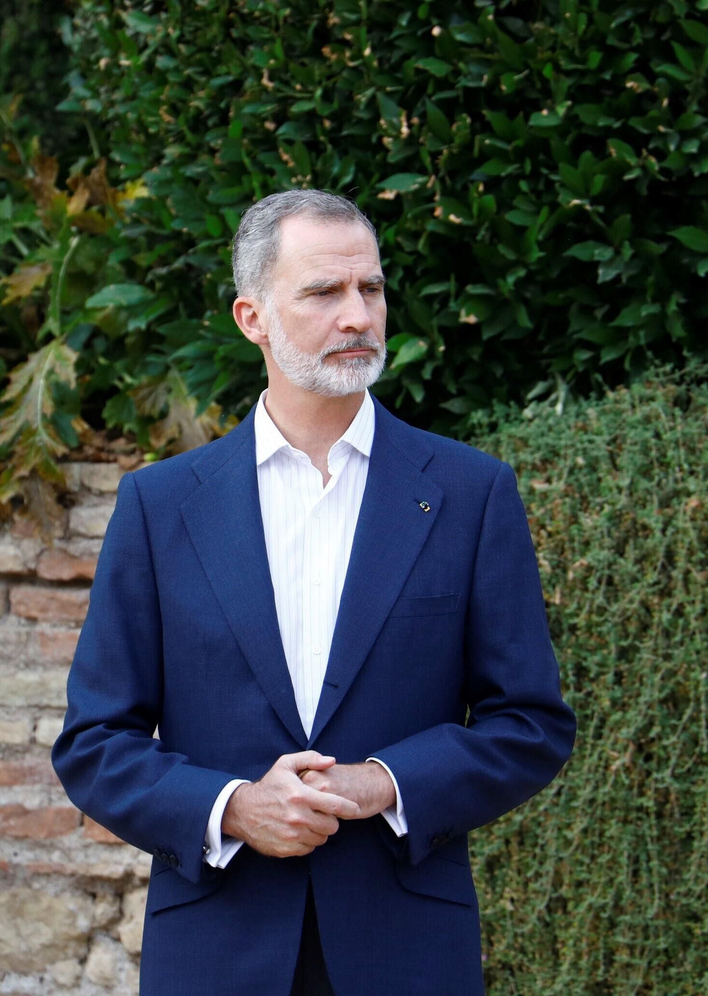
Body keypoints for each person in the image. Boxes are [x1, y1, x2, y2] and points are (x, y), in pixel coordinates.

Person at [51, 190, 576, 995]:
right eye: (324, 293)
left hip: (407, 952)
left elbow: (530, 723)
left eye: (370, 289)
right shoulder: (161, 507)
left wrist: (384, 783)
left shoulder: (471, 493)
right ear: (252, 317)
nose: (357, 315)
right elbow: (94, 741)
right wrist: (229, 807)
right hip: (216, 950)